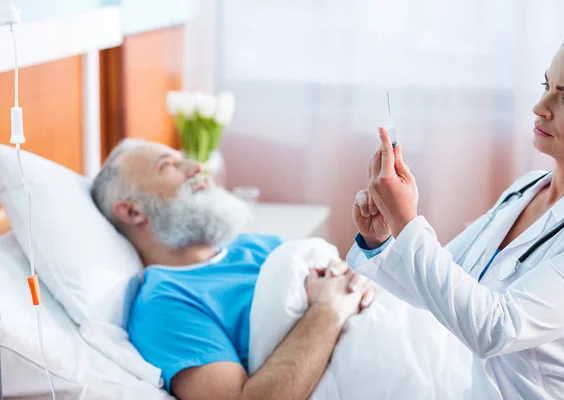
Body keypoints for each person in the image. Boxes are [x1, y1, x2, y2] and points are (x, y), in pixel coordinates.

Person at [339, 18, 564, 399]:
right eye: (546, 86)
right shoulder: (525, 189)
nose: (539, 107)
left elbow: (497, 329)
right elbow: (439, 286)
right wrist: (381, 237)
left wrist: (406, 219)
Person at [91, 138, 375, 400]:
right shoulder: (164, 302)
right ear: (132, 211)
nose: (195, 167)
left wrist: (353, 280)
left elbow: (341, 283)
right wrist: (330, 309)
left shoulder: (256, 245)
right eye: (168, 166)